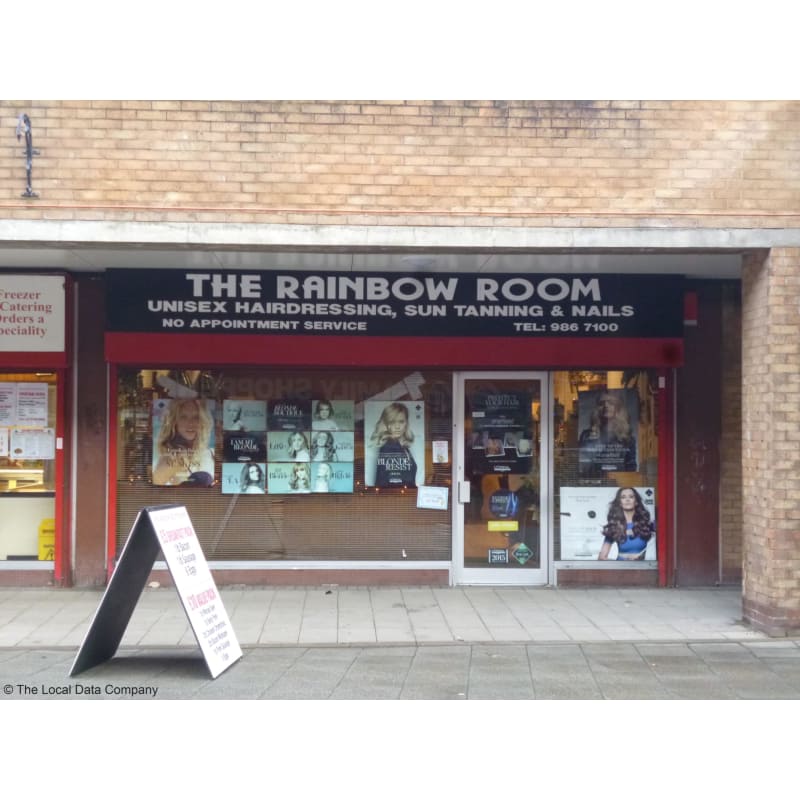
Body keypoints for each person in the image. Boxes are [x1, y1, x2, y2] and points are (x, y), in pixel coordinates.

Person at [152, 398, 215, 486]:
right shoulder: (170, 459)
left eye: (196, 417)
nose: (190, 423)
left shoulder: (210, 453)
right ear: (174, 422)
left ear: (202, 421)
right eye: (183, 417)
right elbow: (155, 493)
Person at [578, 390, 637, 473]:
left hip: (618, 484)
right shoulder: (586, 436)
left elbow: (630, 468)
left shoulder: (627, 439)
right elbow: (582, 464)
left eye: (611, 403)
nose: (606, 405)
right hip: (593, 483)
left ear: (617, 408)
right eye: (602, 403)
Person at [598, 487, 655, 561]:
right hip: (621, 570)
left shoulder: (646, 524)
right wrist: (622, 562)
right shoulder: (615, 526)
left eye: (631, 497)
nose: (627, 500)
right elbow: (602, 557)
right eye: (623, 497)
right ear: (620, 503)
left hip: (642, 569)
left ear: (636, 502)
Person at [369, 402, 417, 487]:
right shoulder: (390, 446)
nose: (397, 426)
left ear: (406, 424)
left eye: (401, 421)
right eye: (392, 422)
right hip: (395, 496)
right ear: (387, 424)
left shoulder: (402, 446)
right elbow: (388, 481)